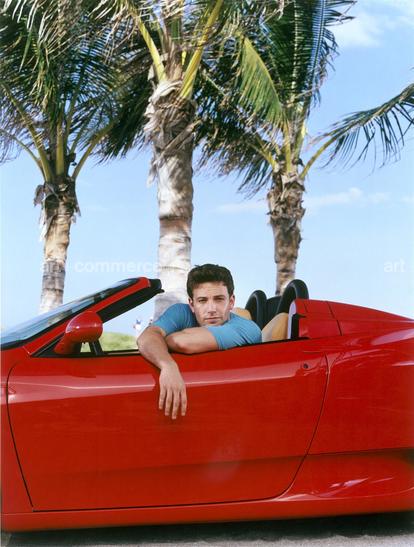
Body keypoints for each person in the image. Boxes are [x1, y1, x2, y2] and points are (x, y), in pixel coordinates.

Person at [137, 264, 261, 420]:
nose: (211, 309)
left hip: (235, 409)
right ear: (191, 304)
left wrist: (163, 338)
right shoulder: (181, 312)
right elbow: (145, 338)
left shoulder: (247, 329)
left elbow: (182, 342)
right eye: (202, 301)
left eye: (219, 299)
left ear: (231, 301)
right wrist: (167, 366)